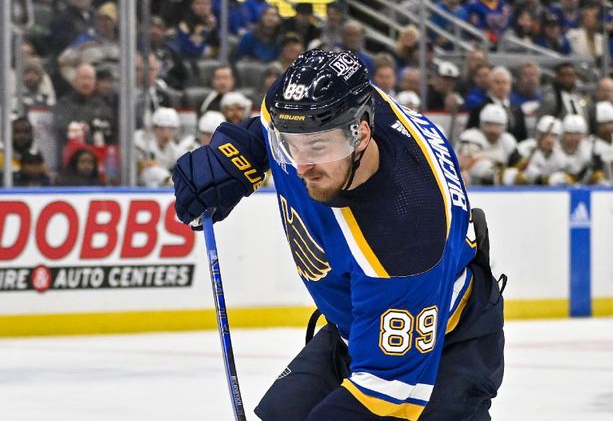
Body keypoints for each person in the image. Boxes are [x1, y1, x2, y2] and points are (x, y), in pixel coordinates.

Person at [172, 49, 504, 419]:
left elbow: (383, 396)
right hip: (361, 322)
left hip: (443, 344)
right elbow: (269, 129)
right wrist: (233, 156)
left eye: (316, 148)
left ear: (360, 134)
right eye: (290, 146)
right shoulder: (312, 110)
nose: (300, 167)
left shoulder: (406, 238)